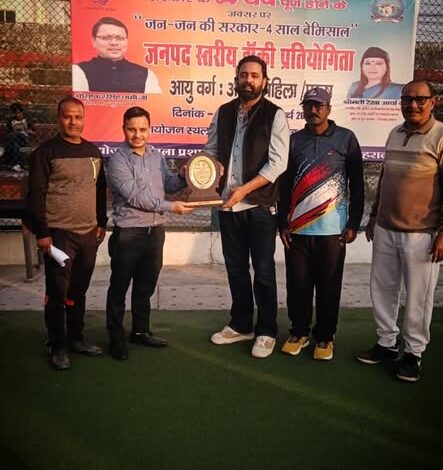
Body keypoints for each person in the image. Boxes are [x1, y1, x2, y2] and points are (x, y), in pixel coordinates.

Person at [357, 80, 443, 382]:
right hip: (385, 227)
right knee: (382, 288)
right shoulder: (395, 132)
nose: (412, 105)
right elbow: (384, 178)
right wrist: (373, 216)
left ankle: (413, 353)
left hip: (422, 233)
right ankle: (386, 343)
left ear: (433, 102)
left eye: (420, 99)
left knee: (418, 296)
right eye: (407, 99)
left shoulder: (440, 135)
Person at [205, 55, 290, 358]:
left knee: (263, 271)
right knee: (236, 269)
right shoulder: (224, 112)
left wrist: (244, 190)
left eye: (254, 75)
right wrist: (207, 168)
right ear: (236, 79)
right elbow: (211, 149)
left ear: (265, 81)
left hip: (259, 207)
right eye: (244, 75)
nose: (248, 80)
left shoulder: (275, 115)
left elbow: (278, 163)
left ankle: (266, 330)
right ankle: (241, 324)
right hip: (228, 206)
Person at [278, 87, 364, 361]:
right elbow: (284, 185)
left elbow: (357, 184)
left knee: (329, 287)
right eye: (309, 105)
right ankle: (299, 332)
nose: (313, 110)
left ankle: (325, 337)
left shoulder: (346, 139)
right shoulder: (294, 141)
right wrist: (282, 223)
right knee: (298, 285)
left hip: (333, 231)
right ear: (303, 109)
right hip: (298, 230)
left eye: (319, 105)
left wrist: (353, 222)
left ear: (328, 108)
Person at [26, 96, 107, 370]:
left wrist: (101, 222)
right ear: (58, 118)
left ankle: (76, 338)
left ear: (84, 119)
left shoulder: (94, 152)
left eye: (78, 117)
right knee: (58, 292)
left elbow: (99, 190)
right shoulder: (45, 153)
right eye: (67, 116)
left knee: (78, 290)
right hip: (59, 235)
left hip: (88, 234)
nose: (73, 121)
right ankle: (57, 346)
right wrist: (43, 233)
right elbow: (35, 195)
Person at [105, 106, 193, 360]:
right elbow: (136, 197)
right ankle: (116, 337)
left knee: (146, 286)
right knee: (119, 288)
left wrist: (184, 176)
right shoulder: (118, 160)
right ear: (123, 129)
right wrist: (171, 207)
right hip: (129, 233)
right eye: (132, 129)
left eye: (142, 129)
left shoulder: (157, 156)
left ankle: (140, 331)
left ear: (150, 129)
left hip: (155, 232)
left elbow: (169, 185)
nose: (137, 135)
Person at [72, 17, 161, 94]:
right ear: (93, 41)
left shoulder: (145, 74)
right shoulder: (80, 70)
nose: (114, 43)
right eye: (106, 38)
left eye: (120, 38)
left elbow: (153, 104)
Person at [4, 102, 36, 170]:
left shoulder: (27, 120)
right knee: (15, 144)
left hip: (24, 140)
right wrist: (14, 132)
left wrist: (28, 131)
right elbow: (8, 134)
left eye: (19, 113)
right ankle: (17, 165)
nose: (17, 115)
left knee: (18, 136)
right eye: (15, 113)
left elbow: (35, 133)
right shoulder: (11, 121)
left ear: (22, 112)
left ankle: (14, 164)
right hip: (14, 140)